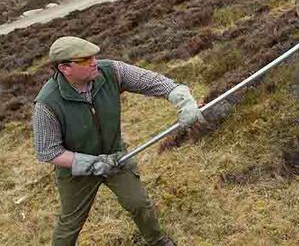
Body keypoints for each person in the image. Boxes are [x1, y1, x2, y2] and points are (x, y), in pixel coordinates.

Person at [32, 36, 206, 246]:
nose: (94, 62)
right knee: (70, 222)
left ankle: (158, 241)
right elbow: (48, 152)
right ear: (65, 68)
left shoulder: (111, 71)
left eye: (94, 56)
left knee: (139, 204)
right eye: (85, 60)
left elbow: (153, 82)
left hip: (116, 158)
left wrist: (182, 98)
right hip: (76, 170)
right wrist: (92, 164)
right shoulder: (47, 104)